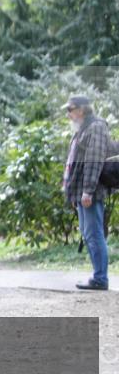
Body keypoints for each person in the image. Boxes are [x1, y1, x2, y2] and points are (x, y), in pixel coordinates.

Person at [62, 95, 111, 291]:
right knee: (88, 233)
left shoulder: (96, 127)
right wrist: (74, 194)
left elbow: (94, 161)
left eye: (70, 110)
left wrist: (87, 191)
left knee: (94, 233)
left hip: (91, 191)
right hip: (81, 192)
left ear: (81, 110)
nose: (68, 114)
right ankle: (98, 276)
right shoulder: (83, 128)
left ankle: (100, 279)